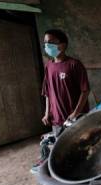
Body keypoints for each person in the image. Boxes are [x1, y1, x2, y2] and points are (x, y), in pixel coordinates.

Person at [31, 29, 90, 173]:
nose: (47, 45)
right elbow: (47, 93)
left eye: (51, 42)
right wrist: (46, 113)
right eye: (45, 42)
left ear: (62, 45)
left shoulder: (74, 65)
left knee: (82, 149)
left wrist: (76, 113)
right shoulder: (49, 66)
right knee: (62, 149)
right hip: (57, 119)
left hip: (76, 119)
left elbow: (85, 90)